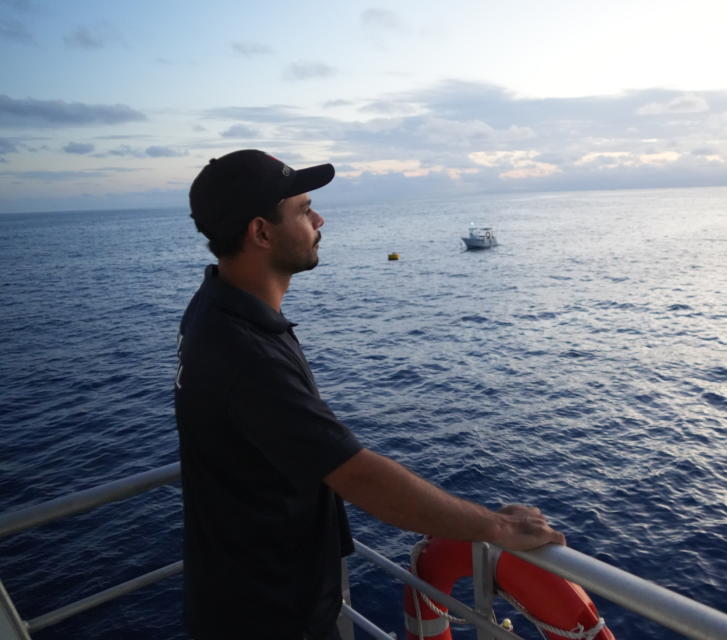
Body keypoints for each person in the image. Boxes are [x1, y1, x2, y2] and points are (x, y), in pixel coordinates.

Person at [175, 149, 564, 640]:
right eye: (303, 209)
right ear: (261, 232)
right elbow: (359, 476)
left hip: (240, 596)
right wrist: (496, 527)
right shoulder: (243, 352)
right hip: (269, 615)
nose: (319, 219)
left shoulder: (213, 308)